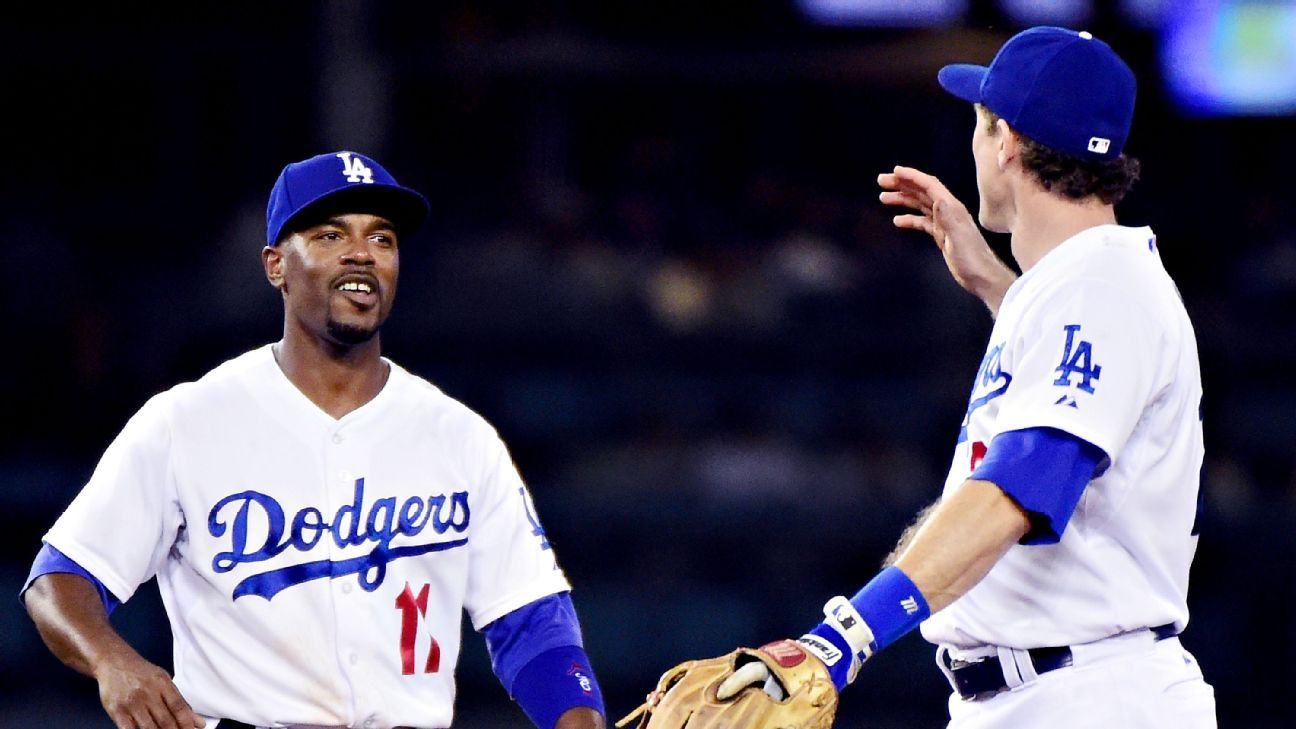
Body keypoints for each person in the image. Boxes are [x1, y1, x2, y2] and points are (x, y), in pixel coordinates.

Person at [627, 26, 1216, 729]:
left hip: (1091, 696)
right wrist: (998, 288)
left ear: (1007, 142)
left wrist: (840, 639)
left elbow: (1018, 489)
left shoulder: (1099, 287)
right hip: (1043, 690)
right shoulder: (1077, 289)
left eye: (979, 120)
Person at [22, 151, 607, 729]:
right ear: (276, 265)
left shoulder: (460, 437)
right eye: (330, 235)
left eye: (382, 238)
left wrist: (580, 717)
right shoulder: (187, 422)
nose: (361, 252)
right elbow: (59, 580)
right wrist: (113, 662)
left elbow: (531, 621)